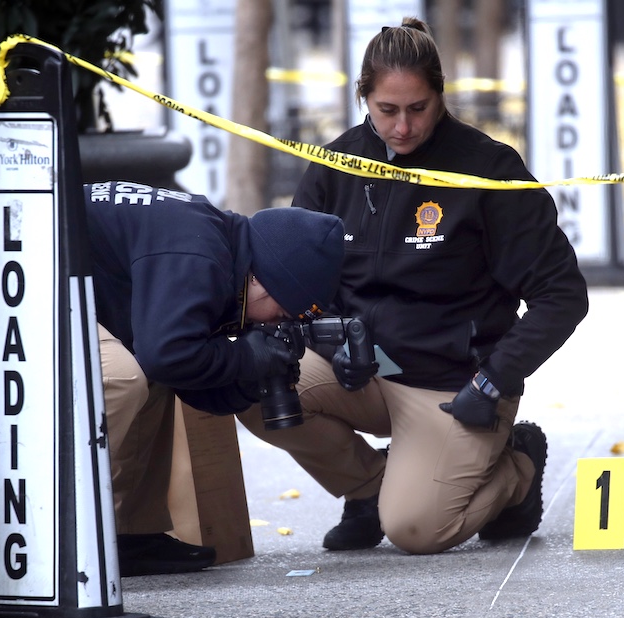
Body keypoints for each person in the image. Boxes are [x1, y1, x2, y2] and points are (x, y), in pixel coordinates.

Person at [236, 18, 589, 555]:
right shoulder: (333, 166)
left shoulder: (489, 171)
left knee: (416, 531)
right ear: (364, 98)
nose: (402, 128)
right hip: (355, 368)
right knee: (249, 382)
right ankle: (368, 489)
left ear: (440, 95)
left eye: (418, 109)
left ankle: (516, 467)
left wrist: (494, 381)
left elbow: (563, 296)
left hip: (454, 383)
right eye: (387, 111)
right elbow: (292, 279)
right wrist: (326, 332)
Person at [0, 180, 345, 588]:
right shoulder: (199, 252)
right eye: (284, 314)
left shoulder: (219, 250)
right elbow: (168, 354)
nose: (276, 324)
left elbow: (182, 375)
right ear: (264, 277)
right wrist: (245, 356)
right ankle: (10, 537)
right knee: (114, 377)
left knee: (145, 374)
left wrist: (252, 376)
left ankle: (124, 535)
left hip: (10, 270)